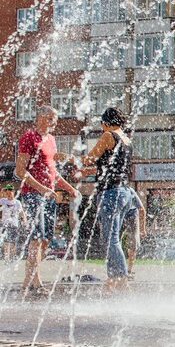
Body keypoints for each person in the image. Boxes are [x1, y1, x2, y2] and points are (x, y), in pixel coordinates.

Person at [15, 105, 80, 297]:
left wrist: (69, 188)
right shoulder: (28, 138)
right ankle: (30, 283)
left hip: (49, 196)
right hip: (33, 195)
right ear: (41, 118)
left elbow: (53, 172)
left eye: (56, 119)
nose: (55, 122)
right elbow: (20, 171)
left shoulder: (51, 140)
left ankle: (32, 280)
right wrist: (42, 188)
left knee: (45, 240)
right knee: (36, 239)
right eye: (52, 118)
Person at [82, 107, 134, 293]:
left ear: (105, 123)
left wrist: (71, 159)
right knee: (113, 239)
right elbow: (111, 167)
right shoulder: (126, 139)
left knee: (111, 239)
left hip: (111, 193)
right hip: (124, 192)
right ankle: (112, 281)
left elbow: (90, 158)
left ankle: (122, 280)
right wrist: (90, 171)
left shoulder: (108, 135)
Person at [123, 188, 146, 278]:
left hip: (132, 215)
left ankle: (129, 270)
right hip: (120, 214)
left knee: (133, 244)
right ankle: (121, 269)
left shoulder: (130, 191)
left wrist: (142, 229)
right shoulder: (112, 190)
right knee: (115, 241)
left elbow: (142, 210)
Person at [0, 185, 27, 262]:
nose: (9, 192)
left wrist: (25, 220)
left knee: (13, 241)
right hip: (5, 224)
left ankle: (12, 257)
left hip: (14, 224)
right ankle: (6, 258)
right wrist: (2, 192)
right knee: (6, 241)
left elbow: (22, 212)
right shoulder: (3, 200)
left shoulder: (17, 202)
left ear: (14, 192)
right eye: (7, 191)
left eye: (11, 191)